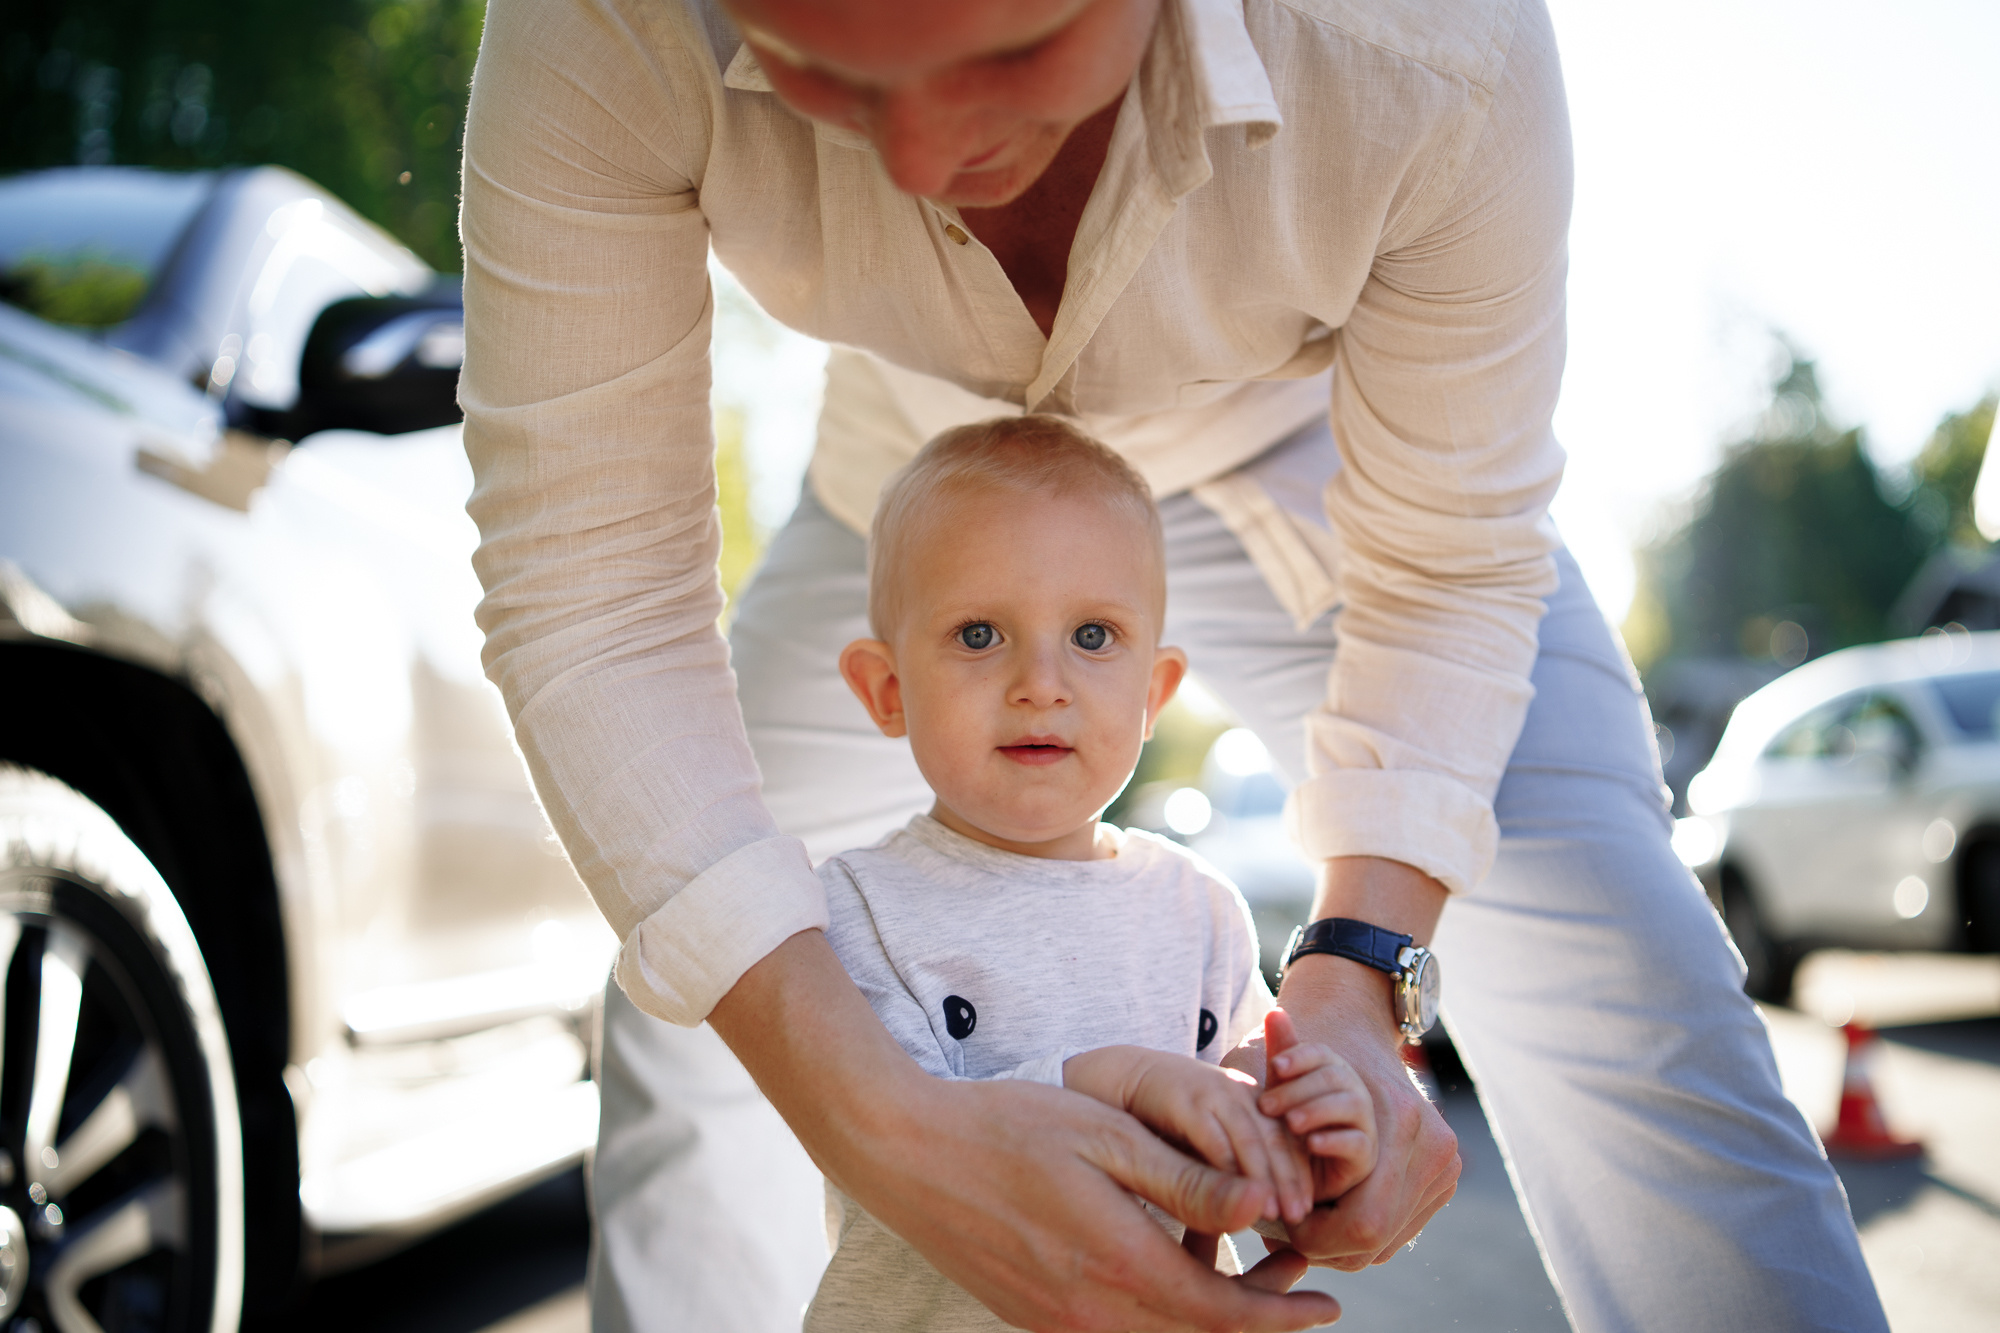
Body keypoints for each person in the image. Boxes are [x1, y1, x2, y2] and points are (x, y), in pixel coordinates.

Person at [457, 0, 1889, 1328]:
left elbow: (1450, 566)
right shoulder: (605, 23)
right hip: (917, 496)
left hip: (1314, 472)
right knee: (689, 994)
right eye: (822, 70)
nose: (921, 154)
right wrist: (877, 1123)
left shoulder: (1431, 45)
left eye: (1007, 53)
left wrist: (1359, 985)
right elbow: (588, 593)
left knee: (1610, 953)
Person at [807, 415, 1378, 1330]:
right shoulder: (855, 908)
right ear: (888, 691)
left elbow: (1243, 1124)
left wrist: (1312, 1125)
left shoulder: (1201, 909)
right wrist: (1105, 1078)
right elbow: (894, 1144)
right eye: (981, 632)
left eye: (1095, 635)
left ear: (1154, 694)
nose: (1042, 680)